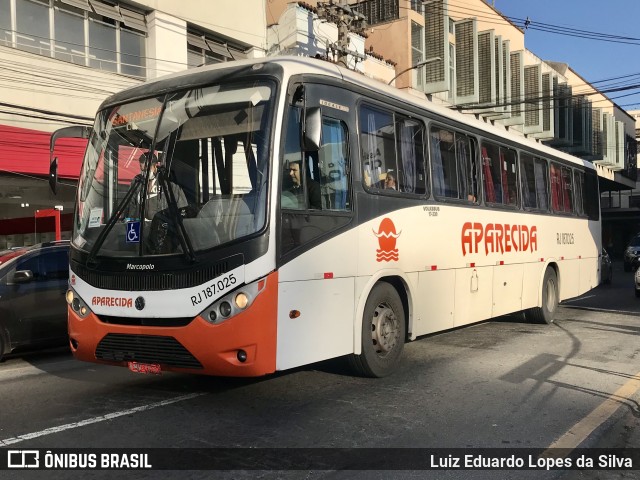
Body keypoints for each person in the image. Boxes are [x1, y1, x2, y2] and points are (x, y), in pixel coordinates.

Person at [125, 152, 188, 221]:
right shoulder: (137, 182)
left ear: (155, 166)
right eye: (142, 170)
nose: (144, 173)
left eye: (147, 170)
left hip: (161, 227)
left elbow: (182, 209)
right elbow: (130, 207)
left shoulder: (167, 183)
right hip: (141, 226)